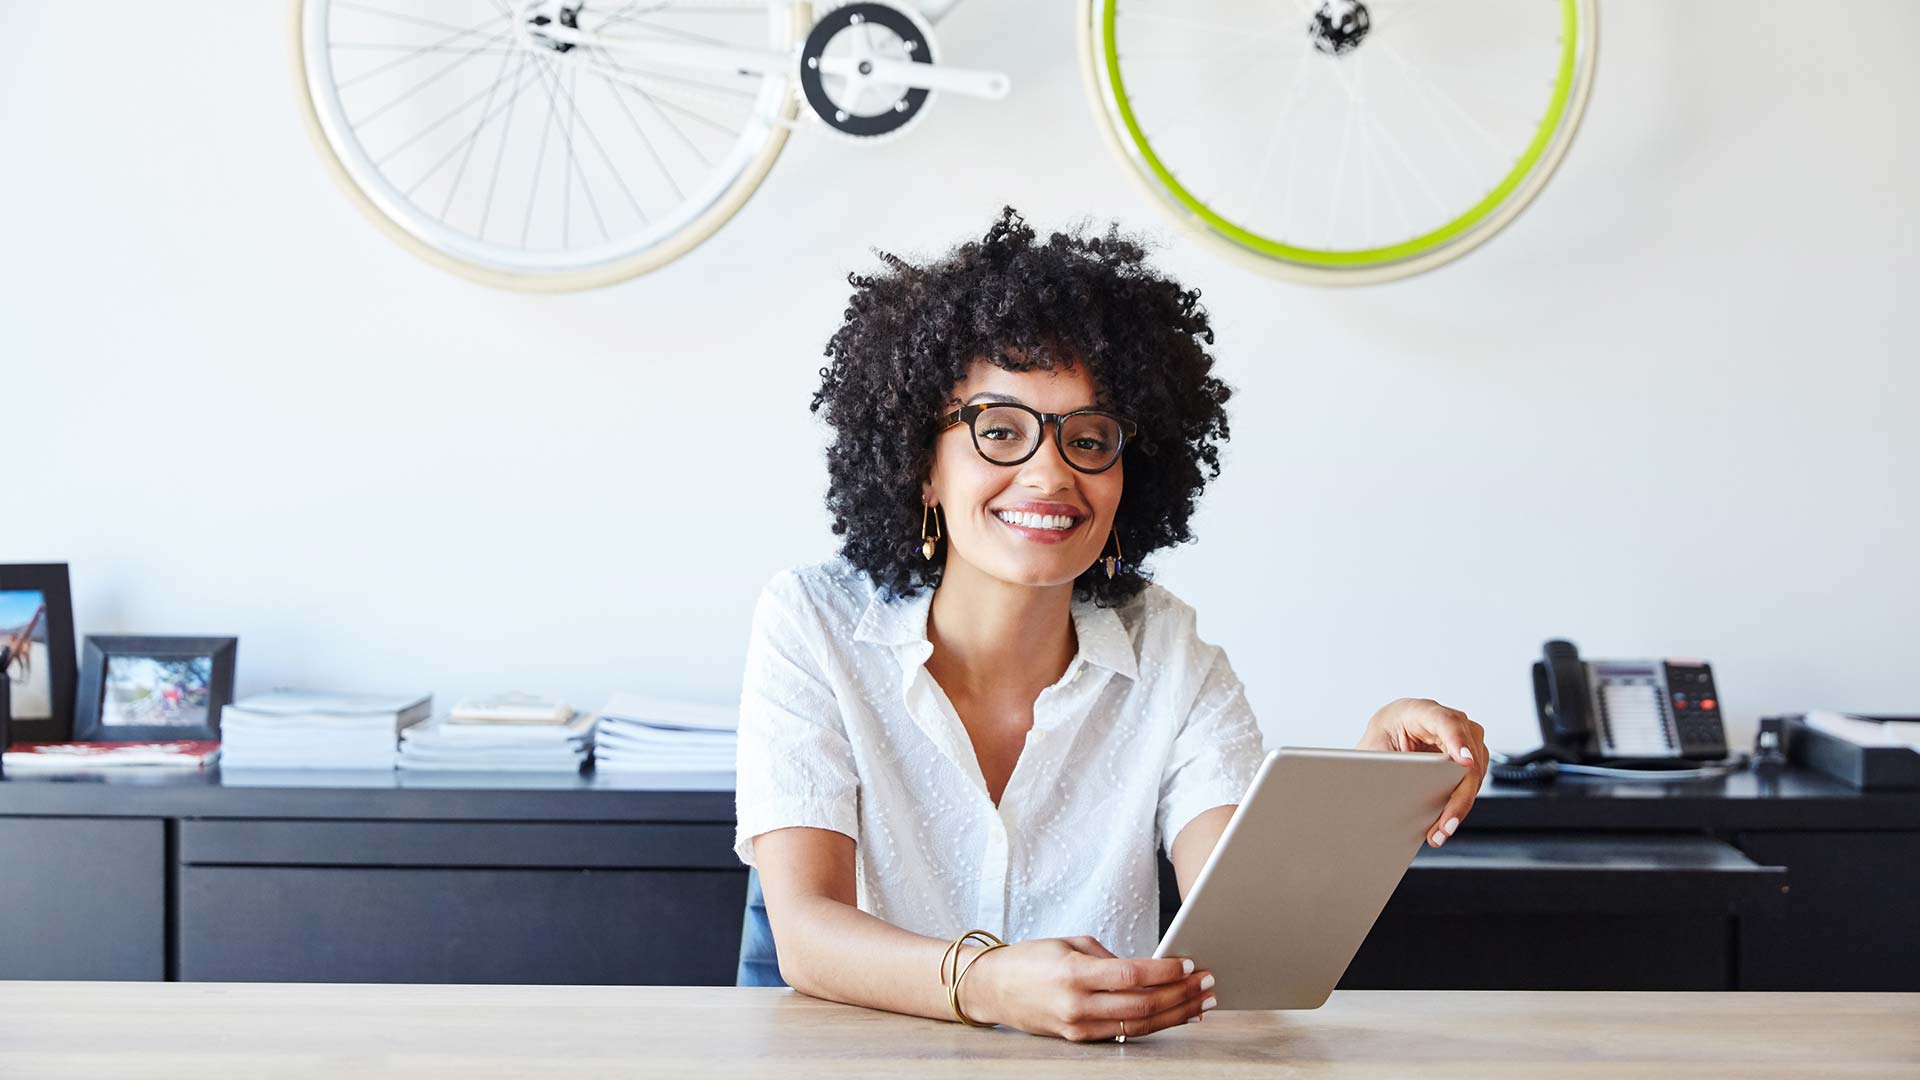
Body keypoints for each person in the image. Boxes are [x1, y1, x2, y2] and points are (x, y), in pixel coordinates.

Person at [734, 208, 1487, 1042]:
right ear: (922, 468)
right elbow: (804, 936)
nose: (1051, 473)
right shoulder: (814, 623)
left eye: (1090, 437)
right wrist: (988, 983)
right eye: (1000, 431)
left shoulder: (1169, 650)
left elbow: (1245, 930)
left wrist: (1360, 789)